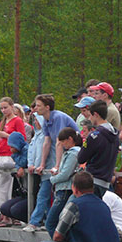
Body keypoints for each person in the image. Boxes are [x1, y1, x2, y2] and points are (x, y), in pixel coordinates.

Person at [37, 171, 122, 242]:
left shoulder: (74, 205)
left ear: (74, 188)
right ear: (92, 187)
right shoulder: (103, 205)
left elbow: (57, 236)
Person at [32, 94, 79, 230]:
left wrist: (57, 166)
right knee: (48, 190)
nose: (36, 108)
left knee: (52, 190)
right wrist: (41, 164)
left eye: (39, 105)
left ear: (47, 107)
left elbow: (60, 142)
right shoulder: (46, 121)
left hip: (70, 153)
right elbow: (47, 142)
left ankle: (42, 222)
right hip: (59, 154)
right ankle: (47, 220)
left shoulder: (57, 117)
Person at [42, 127, 81, 237]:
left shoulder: (73, 154)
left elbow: (65, 174)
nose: (62, 144)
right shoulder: (71, 153)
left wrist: (52, 179)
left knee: (51, 222)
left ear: (70, 139)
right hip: (63, 189)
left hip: (65, 190)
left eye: (63, 141)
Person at [77, 100, 120, 198]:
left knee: (74, 207)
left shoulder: (94, 136)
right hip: (106, 181)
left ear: (95, 114)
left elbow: (81, 158)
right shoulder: (115, 134)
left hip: (92, 181)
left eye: (90, 116)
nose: (90, 119)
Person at [0, 97, 27, 209]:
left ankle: (5, 212)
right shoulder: (3, 121)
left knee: (2, 186)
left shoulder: (17, 121)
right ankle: (1, 211)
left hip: (8, 155)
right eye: (1, 108)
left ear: (12, 107)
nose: (3, 110)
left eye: (5, 107)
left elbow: (22, 139)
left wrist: (7, 136)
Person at [0, 131, 29, 226]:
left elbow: (24, 161)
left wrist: (19, 165)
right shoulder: (16, 154)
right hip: (23, 192)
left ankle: (33, 220)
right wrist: (18, 167)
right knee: (4, 208)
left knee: (15, 210)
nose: (10, 149)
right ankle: (10, 217)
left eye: (12, 147)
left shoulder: (26, 150)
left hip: (32, 192)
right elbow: (17, 162)